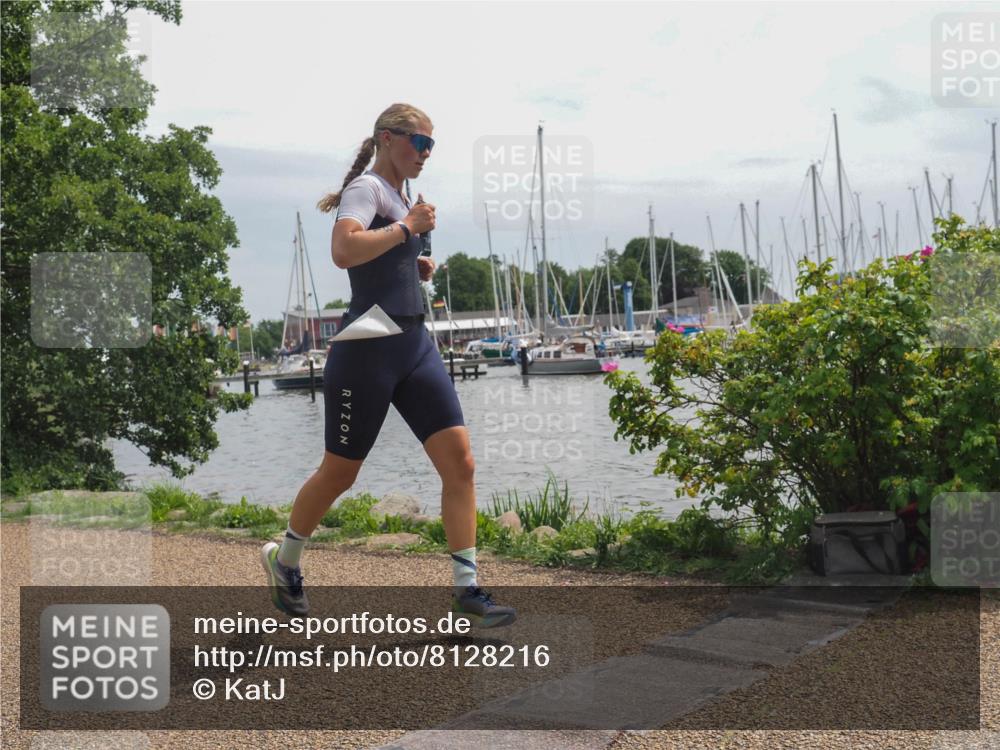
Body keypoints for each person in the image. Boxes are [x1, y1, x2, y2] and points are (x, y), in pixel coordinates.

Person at [260, 103, 516, 629]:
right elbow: (343, 249)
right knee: (340, 474)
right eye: (420, 143)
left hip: (413, 340)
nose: (426, 154)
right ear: (387, 138)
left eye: (431, 146)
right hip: (368, 343)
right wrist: (406, 230)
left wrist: (413, 261)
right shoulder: (368, 189)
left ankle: (467, 592)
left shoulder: (402, 198)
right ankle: (284, 562)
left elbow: (382, 254)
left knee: (461, 464)